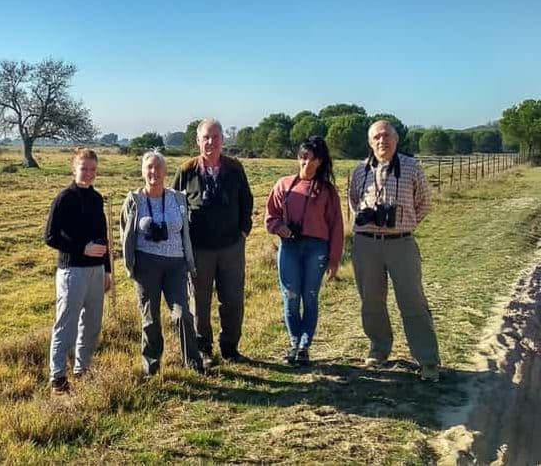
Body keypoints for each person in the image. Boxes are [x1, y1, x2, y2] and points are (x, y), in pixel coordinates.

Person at [349, 120, 441, 382]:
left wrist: (403, 224)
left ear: (396, 139)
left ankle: (427, 360)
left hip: (402, 243)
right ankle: (379, 350)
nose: (382, 141)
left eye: (387, 135)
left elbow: (423, 204)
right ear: (369, 142)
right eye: (376, 136)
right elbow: (354, 202)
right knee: (371, 301)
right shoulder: (359, 171)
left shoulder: (411, 167)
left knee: (413, 302)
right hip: (366, 244)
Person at [173, 118, 254, 366]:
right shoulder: (186, 171)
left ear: (223, 140)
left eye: (215, 137)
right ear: (198, 141)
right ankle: (204, 350)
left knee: (232, 299)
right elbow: (175, 206)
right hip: (199, 249)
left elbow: (247, 202)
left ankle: (230, 348)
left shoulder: (235, 168)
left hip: (231, 247)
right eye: (206, 138)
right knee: (200, 300)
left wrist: (243, 232)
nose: (211, 142)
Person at [120, 150, 204, 377]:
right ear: (142, 171)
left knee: (182, 314)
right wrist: (130, 265)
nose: (153, 172)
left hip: (176, 264)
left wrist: (189, 261)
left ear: (166, 172)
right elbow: (124, 232)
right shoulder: (134, 200)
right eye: (149, 167)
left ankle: (194, 362)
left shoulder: (178, 198)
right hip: (146, 265)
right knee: (150, 318)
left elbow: (186, 230)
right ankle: (152, 367)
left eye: (158, 167)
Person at [265, 136, 343, 366]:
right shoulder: (283, 185)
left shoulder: (327, 191)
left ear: (319, 161)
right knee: (290, 297)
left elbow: (336, 225)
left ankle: (304, 347)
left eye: (309, 158)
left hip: (316, 248)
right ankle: (294, 342)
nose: (304, 162)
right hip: (289, 246)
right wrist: (281, 229)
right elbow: (270, 216)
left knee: (310, 297)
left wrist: (335, 258)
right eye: (301, 157)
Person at [44, 148, 113, 395]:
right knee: (67, 324)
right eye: (84, 168)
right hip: (72, 271)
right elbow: (50, 237)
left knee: (92, 324)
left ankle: (82, 370)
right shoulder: (64, 198)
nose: (89, 174)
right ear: (74, 169)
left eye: (93, 169)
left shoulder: (97, 199)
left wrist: (107, 270)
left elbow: (103, 238)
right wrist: (82, 248)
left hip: (96, 272)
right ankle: (58, 378)